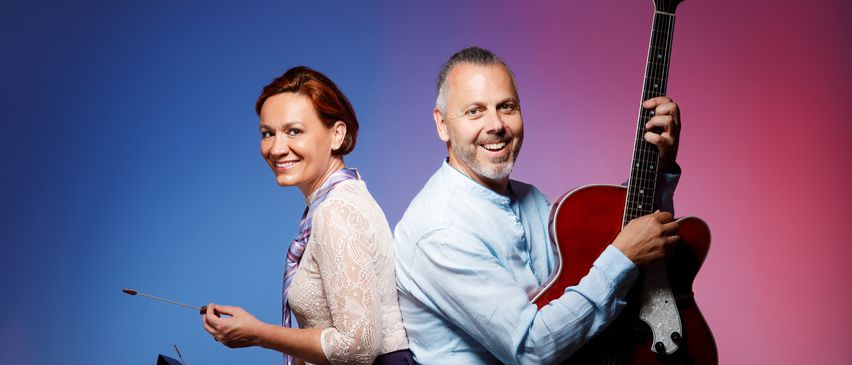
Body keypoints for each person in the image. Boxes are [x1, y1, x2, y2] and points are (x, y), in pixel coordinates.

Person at [394, 47, 683, 364]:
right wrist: (623, 258)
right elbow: (532, 349)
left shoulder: (529, 198)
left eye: (507, 107)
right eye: (474, 111)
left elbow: (611, 257)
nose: (496, 125)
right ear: (442, 124)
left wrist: (659, 163)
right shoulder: (440, 229)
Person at [202, 66, 413, 365]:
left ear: (337, 134)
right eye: (267, 133)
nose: (276, 148)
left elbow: (357, 346)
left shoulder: (337, 212)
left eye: (294, 131)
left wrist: (258, 333)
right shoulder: (331, 203)